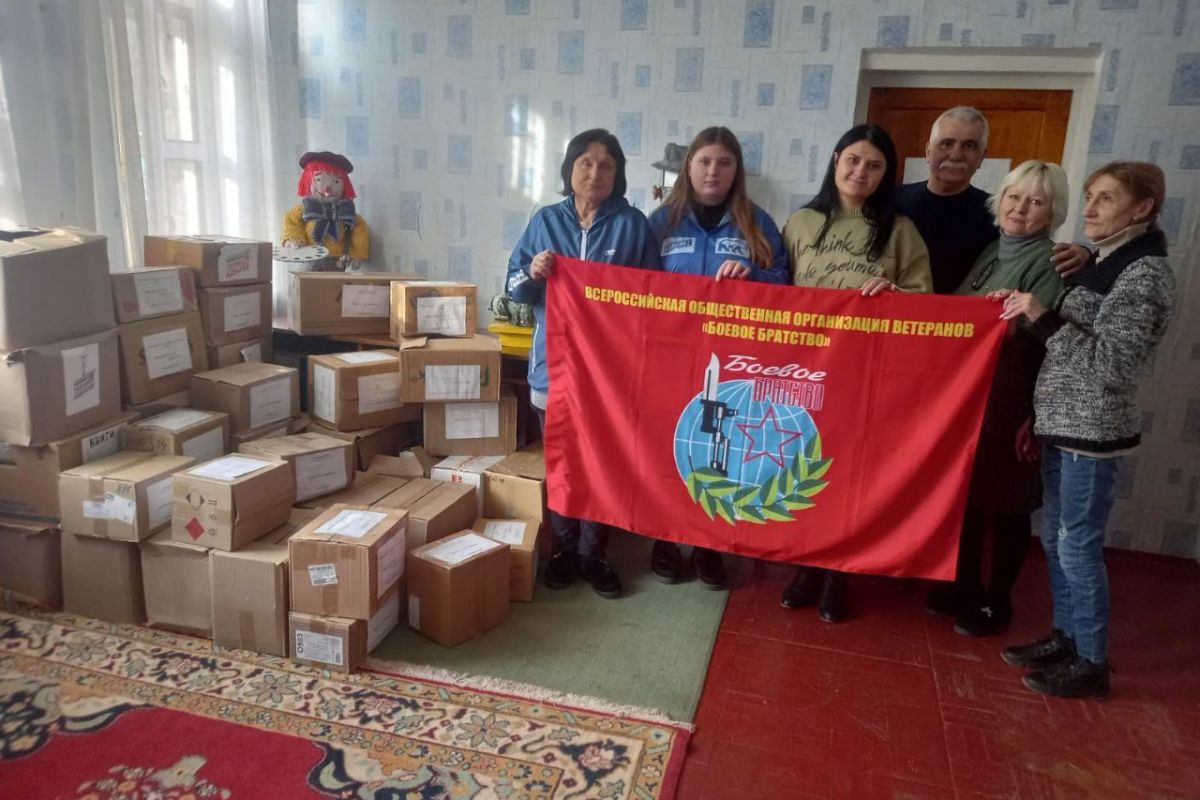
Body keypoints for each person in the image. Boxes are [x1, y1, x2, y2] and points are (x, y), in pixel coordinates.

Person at [994, 161, 1175, 698]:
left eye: (1106, 198)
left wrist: (1041, 315)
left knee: (1077, 546)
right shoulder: (1105, 261)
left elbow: (1112, 365)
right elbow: (1071, 352)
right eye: (1090, 195)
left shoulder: (1144, 274)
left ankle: (1092, 662)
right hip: (1062, 425)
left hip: (1092, 435)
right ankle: (1066, 638)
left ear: (1142, 209)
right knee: (1057, 538)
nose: (1090, 208)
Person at [780, 124, 932, 623]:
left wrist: (896, 296)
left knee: (848, 477)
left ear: (887, 174)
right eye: (853, 160)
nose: (860, 172)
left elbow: (926, 302)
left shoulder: (901, 231)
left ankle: (838, 574)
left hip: (867, 375)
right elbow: (776, 293)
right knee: (802, 465)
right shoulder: (800, 223)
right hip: (806, 370)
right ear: (835, 160)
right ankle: (804, 566)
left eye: (874, 165)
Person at [504, 128, 660, 599]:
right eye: (586, 163)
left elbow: (654, 297)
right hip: (552, 370)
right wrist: (532, 273)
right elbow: (513, 288)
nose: (595, 173)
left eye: (606, 165)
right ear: (570, 169)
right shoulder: (544, 221)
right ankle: (564, 550)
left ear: (618, 174)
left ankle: (595, 554)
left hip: (610, 376)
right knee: (562, 465)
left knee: (602, 465)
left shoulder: (633, 225)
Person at [646, 126, 789, 590]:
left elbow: (785, 284)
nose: (713, 171)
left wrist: (753, 278)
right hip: (671, 362)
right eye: (704, 161)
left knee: (719, 455)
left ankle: (709, 545)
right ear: (688, 167)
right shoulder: (660, 222)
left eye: (724, 163)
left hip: (730, 364)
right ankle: (666, 539)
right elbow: (630, 287)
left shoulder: (757, 222)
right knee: (670, 450)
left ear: (736, 171)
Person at [935, 160, 1068, 638]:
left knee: (1009, 503)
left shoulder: (1050, 261)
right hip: (973, 396)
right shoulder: (993, 250)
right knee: (970, 498)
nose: (1021, 208)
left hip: (1015, 400)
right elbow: (956, 311)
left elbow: (1030, 332)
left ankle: (997, 601)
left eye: (1036, 201)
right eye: (1014, 197)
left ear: (1052, 212)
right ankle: (965, 586)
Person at [895, 106, 1088, 295]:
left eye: (969, 146)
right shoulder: (892, 201)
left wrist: (1085, 254)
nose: (956, 154)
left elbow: (1028, 250)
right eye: (946, 143)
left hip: (962, 315)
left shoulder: (995, 213)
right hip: (895, 312)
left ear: (982, 157)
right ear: (928, 151)